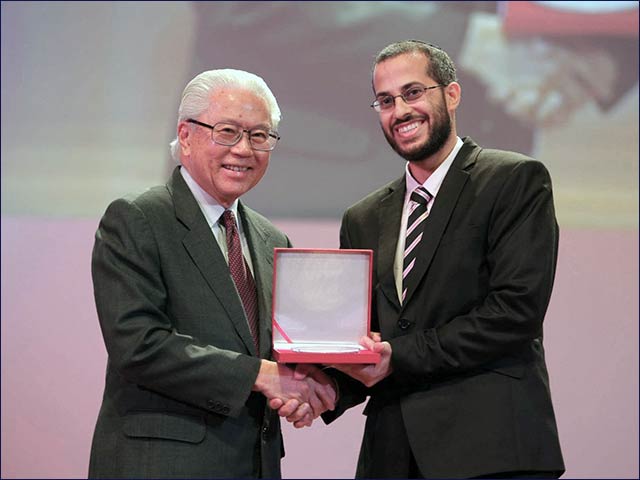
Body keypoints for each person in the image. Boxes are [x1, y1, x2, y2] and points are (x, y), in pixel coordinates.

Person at [322, 40, 565, 478]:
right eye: (385, 101)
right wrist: (318, 386)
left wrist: (397, 355)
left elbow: (515, 313)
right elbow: (365, 340)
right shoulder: (362, 217)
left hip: (491, 450)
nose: (400, 111)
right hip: (392, 455)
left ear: (451, 94)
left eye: (413, 93)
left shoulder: (513, 180)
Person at [89, 68, 336, 479]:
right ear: (185, 135)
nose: (244, 149)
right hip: (161, 466)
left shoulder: (271, 238)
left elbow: (283, 352)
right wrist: (263, 375)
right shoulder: (138, 219)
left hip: (253, 465)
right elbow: (139, 345)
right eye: (228, 131)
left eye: (260, 136)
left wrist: (317, 382)